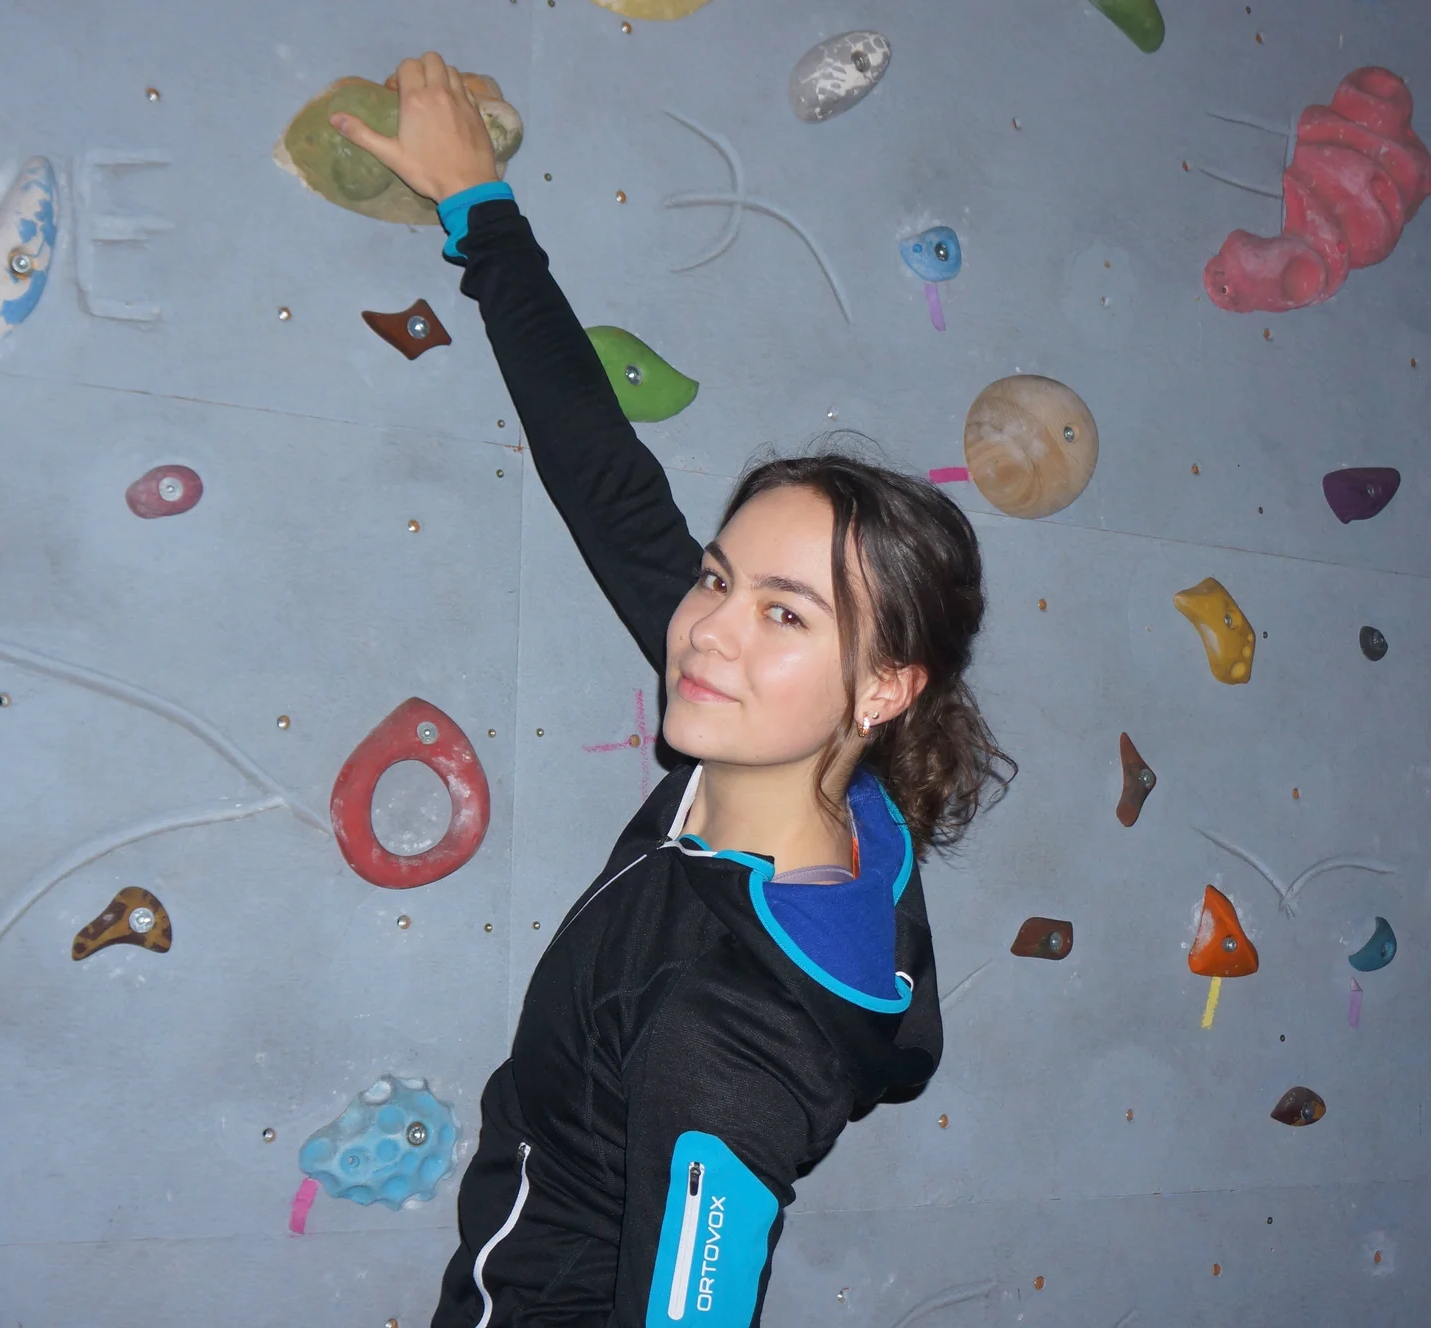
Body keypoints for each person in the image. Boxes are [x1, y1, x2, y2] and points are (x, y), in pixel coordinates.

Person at [332, 54, 1015, 1328]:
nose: (705, 630)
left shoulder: (732, 1033)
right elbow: (606, 480)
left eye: (784, 611)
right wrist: (481, 209)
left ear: (883, 686)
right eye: (719, 575)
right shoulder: (804, 767)